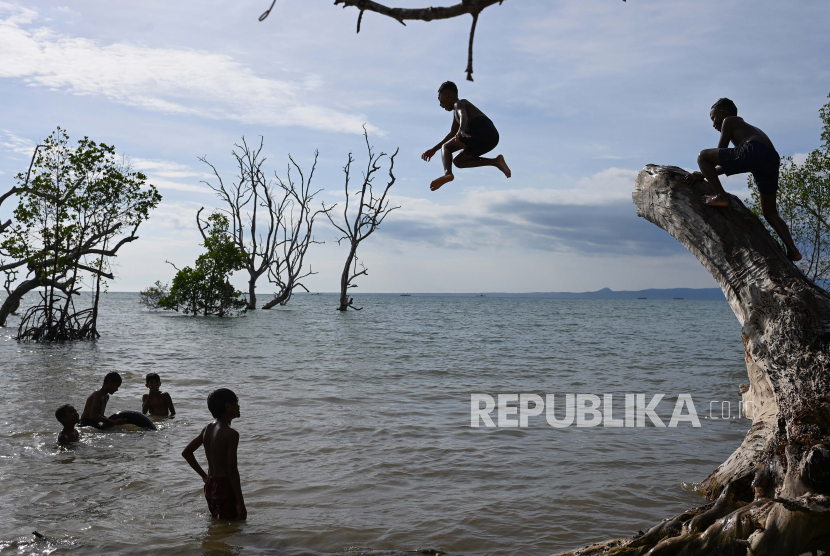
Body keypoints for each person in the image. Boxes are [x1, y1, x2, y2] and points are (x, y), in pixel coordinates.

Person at [686, 97, 802, 261]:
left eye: (713, 118)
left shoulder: (729, 121)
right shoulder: (750, 130)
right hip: (770, 159)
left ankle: (720, 196)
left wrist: (705, 169)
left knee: (703, 156)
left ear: (722, 113)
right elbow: (737, 162)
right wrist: (704, 174)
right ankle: (793, 251)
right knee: (770, 212)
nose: (713, 124)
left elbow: (720, 152)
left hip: (754, 150)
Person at [421, 81, 511, 191]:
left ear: (446, 94)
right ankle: (496, 161)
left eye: (439, 98)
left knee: (446, 147)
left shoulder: (459, 103)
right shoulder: (456, 116)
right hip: (491, 138)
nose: (440, 104)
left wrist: (462, 129)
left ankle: (447, 174)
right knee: (458, 161)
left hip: (481, 128)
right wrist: (433, 150)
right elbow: (451, 134)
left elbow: (463, 114)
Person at [182, 388, 247, 520]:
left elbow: (187, 453)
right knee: (233, 526)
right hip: (224, 487)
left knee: (218, 523)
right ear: (229, 406)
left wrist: (204, 477)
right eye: (236, 403)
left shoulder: (208, 428)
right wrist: (240, 502)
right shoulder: (231, 434)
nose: (239, 406)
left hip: (210, 485)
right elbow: (232, 470)